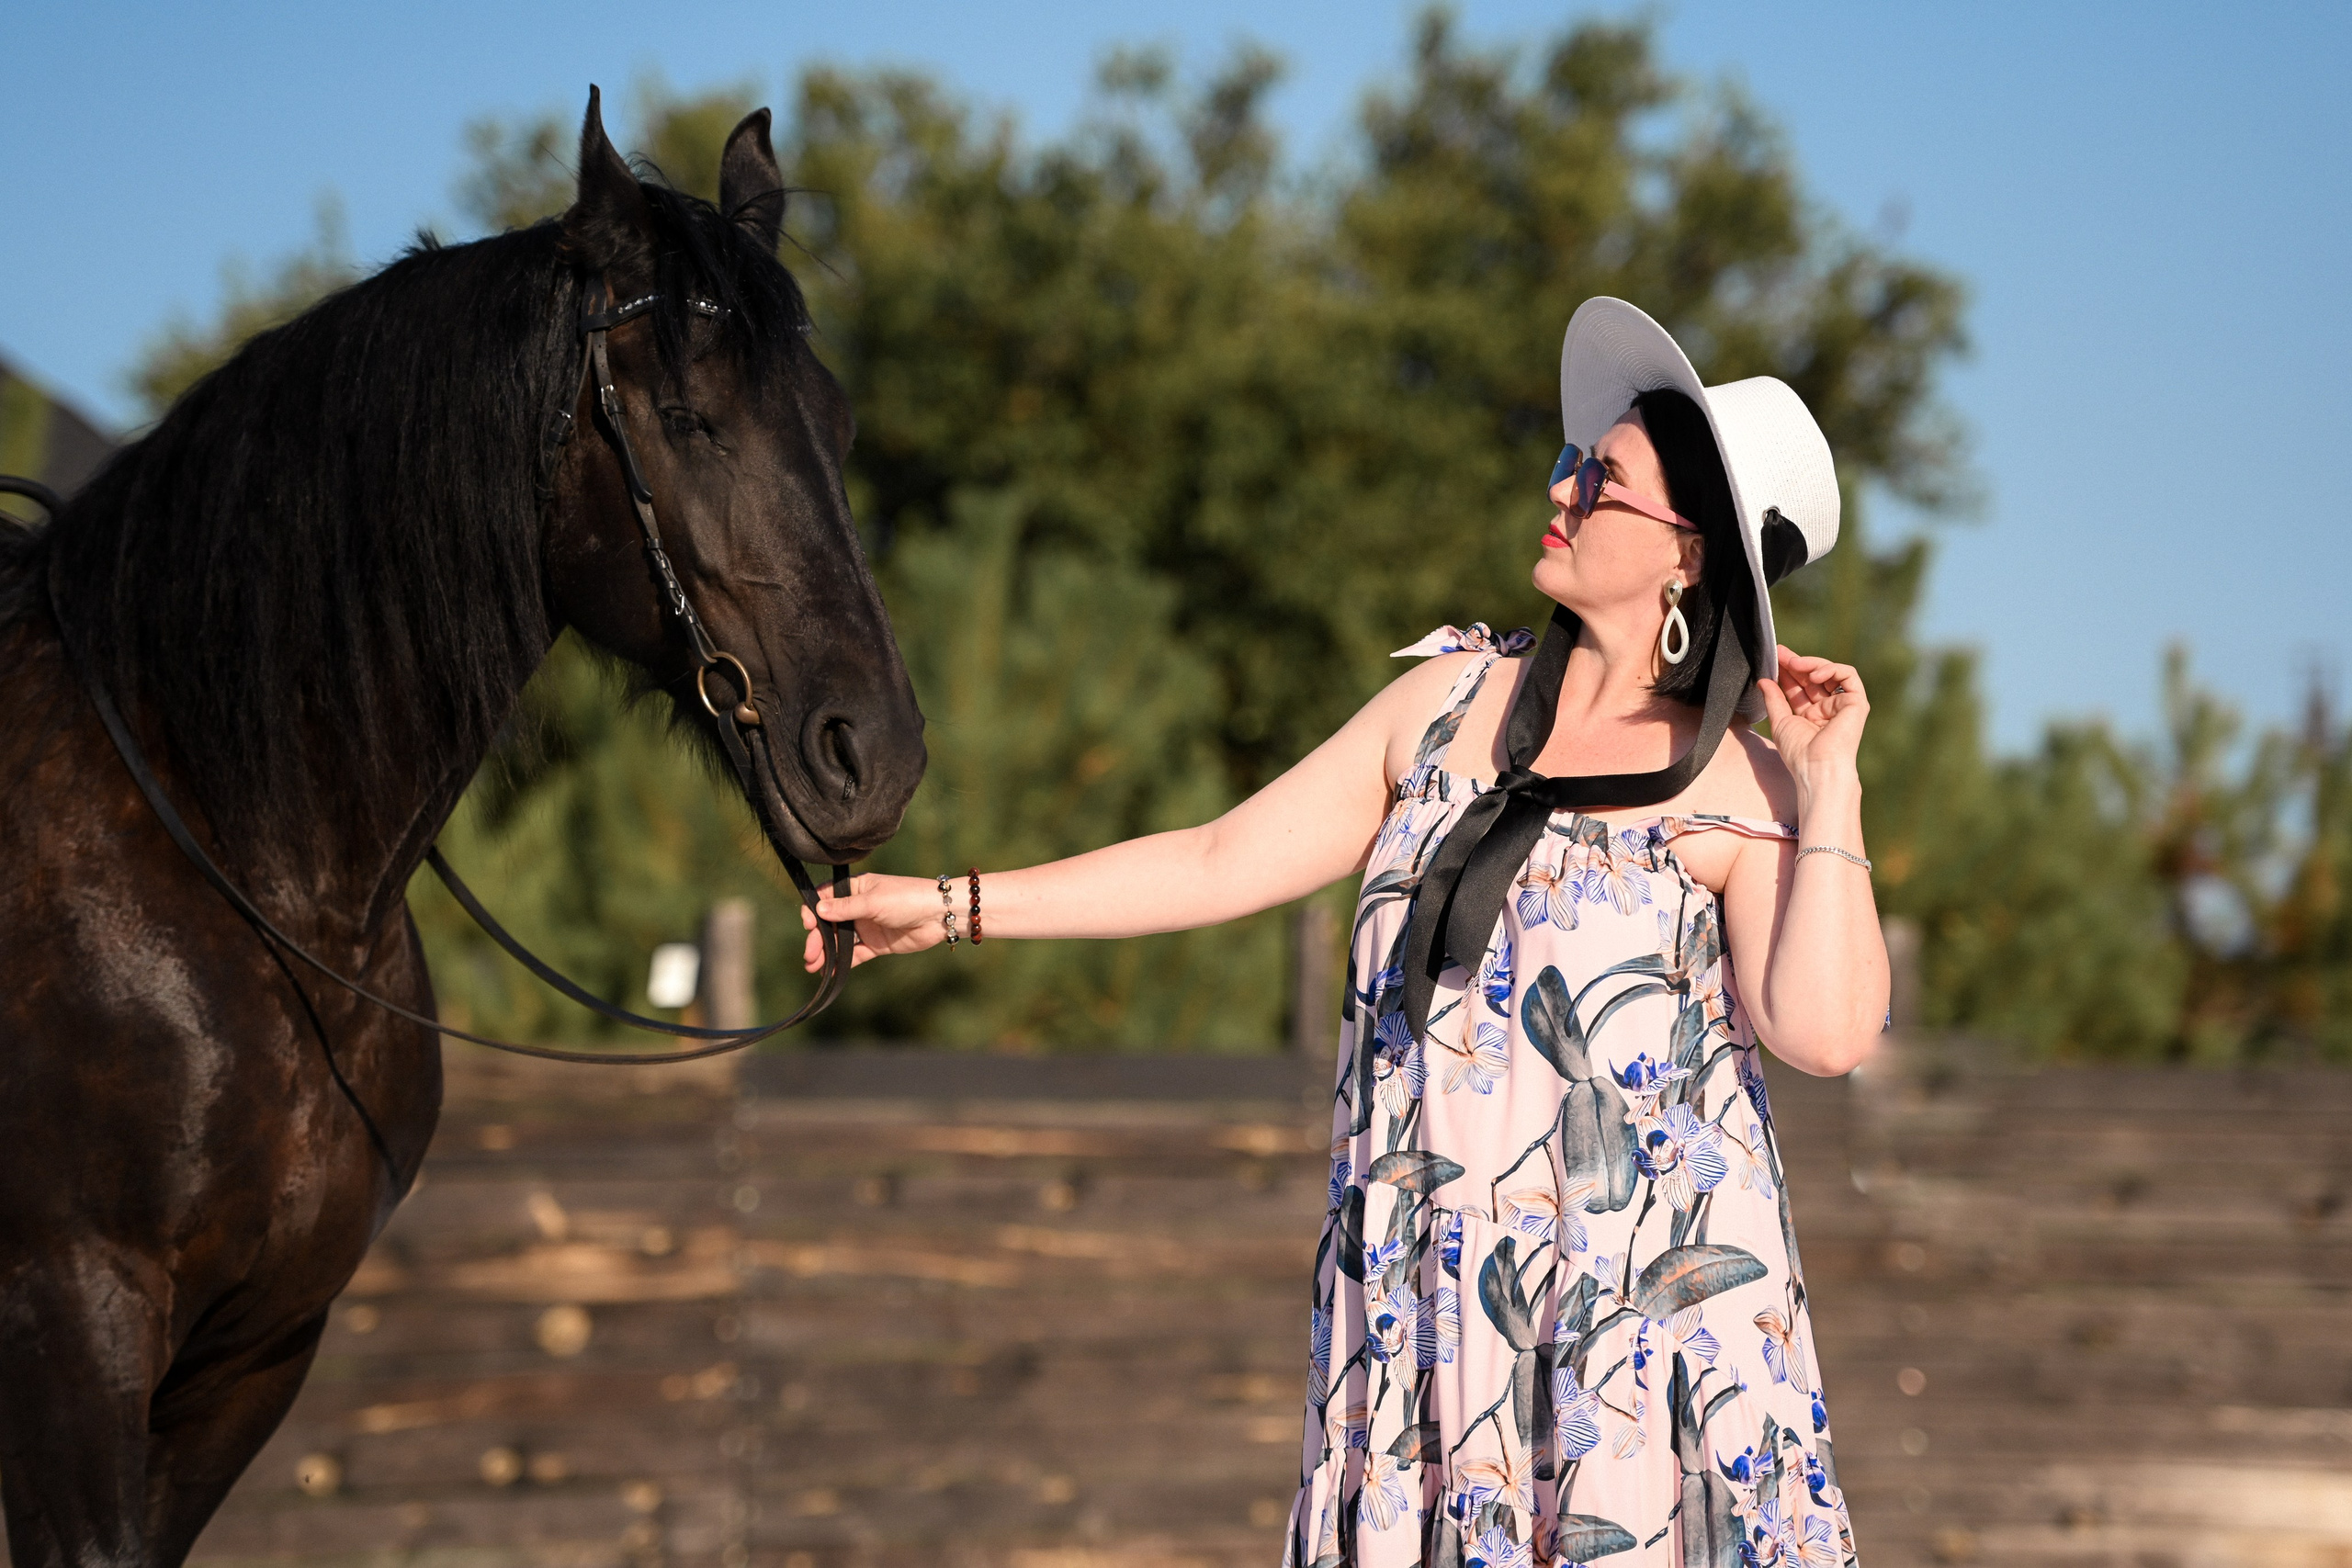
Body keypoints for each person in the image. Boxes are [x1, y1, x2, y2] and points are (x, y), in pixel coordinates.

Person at [804, 299, 1884, 1568]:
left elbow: (1825, 1033)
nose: (1563, 484)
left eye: (1603, 482)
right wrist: (950, 908)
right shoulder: (1443, 704)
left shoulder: (1739, 790)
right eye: (1572, 462)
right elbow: (1217, 859)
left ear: (1685, 556)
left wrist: (1832, 784)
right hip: (1428, 1342)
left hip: (1639, 1377)